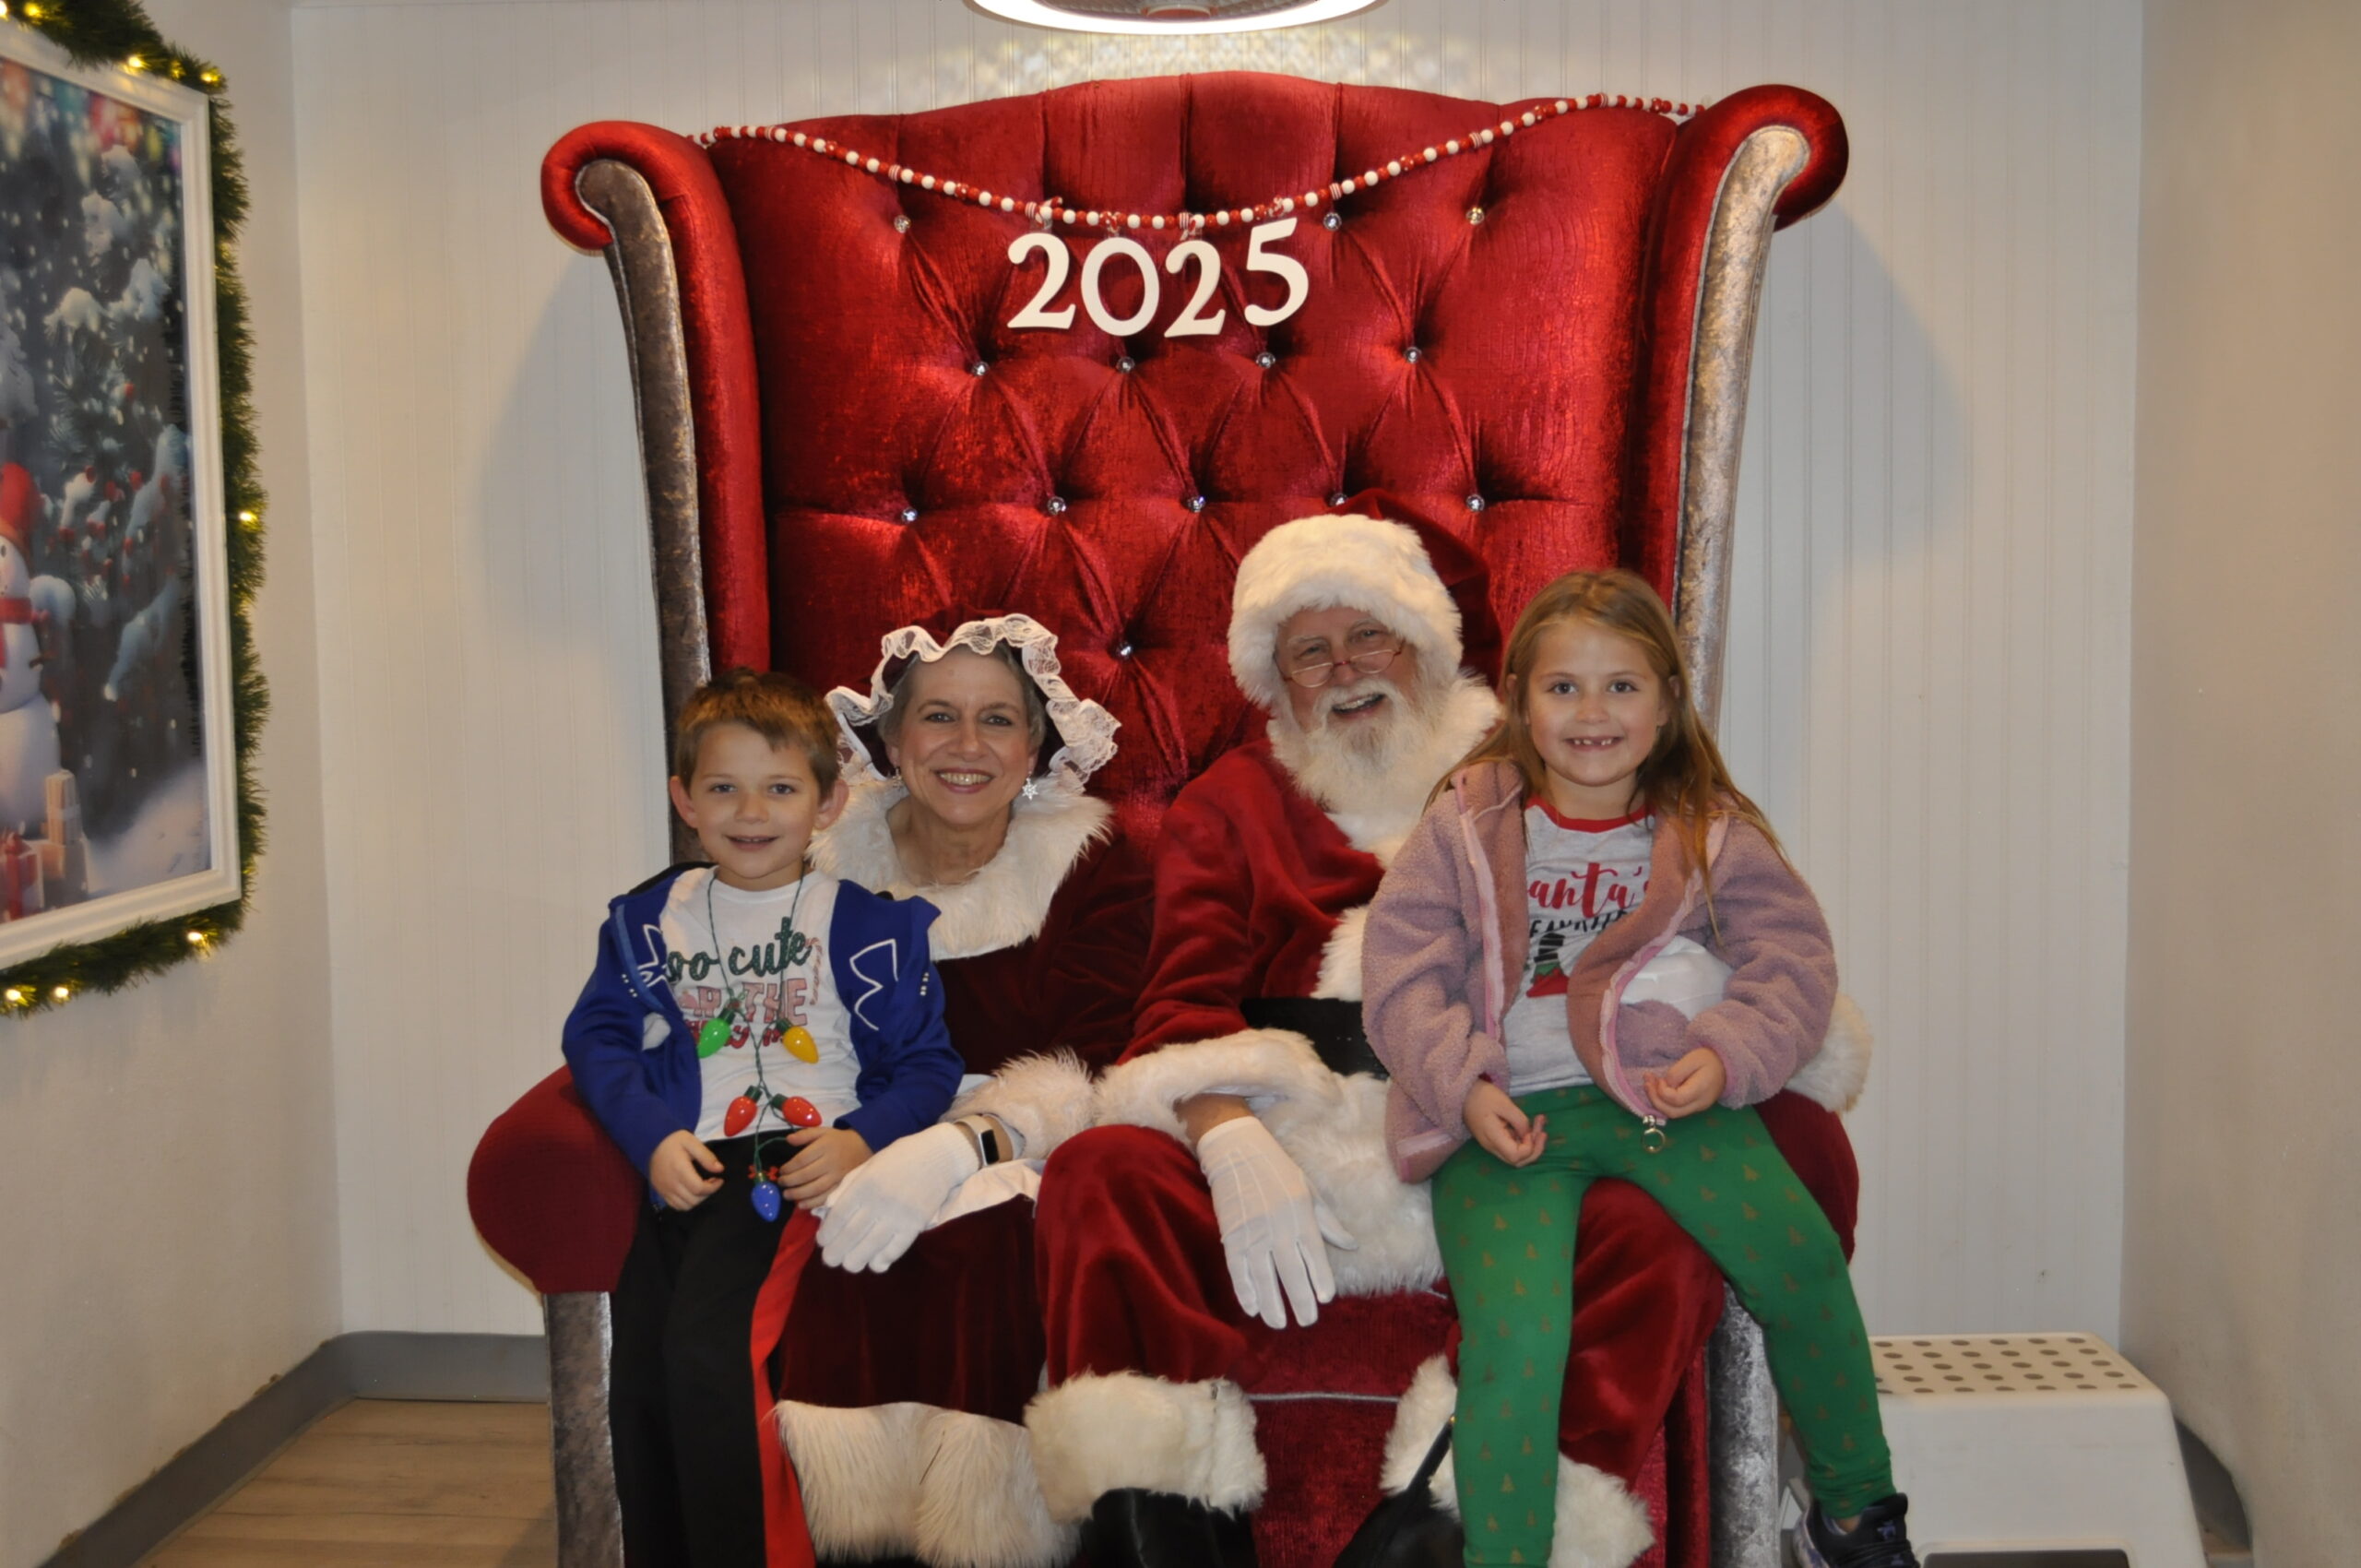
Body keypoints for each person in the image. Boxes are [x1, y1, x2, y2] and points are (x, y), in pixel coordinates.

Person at [1026, 509, 1871, 1568]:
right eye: (1309, 653)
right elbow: (1178, 1007)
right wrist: (1226, 1129)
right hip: (1303, 1132)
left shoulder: (1554, 755)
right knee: (1103, 1171)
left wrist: (1708, 1048)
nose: (1344, 670)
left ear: (1425, 642)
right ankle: (1164, 1528)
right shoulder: (1232, 801)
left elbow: (1728, 936)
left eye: (1366, 635)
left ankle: (1447, 1526)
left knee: (1657, 1216)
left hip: (1516, 1110)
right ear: (1273, 682)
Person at [1362, 568, 1917, 1568]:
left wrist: (1725, 1053)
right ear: (1520, 701)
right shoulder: (1465, 822)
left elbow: (1793, 960)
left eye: (1621, 685)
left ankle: (1854, 1514)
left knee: (1799, 1261)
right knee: (1518, 1342)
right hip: (1507, 1121)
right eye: (1563, 686)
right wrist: (1462, 1087)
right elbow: (1401, 974)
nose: (1592, 712)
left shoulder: (1708, 828)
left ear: (1665, 702)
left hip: (1663, 1101)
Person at [562, 668, 965, 1568]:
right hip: (685, 1164)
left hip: (791, 1167)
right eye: (723, 788)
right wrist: (648, 1136)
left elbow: (930, 1065)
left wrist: (860, 1138)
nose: (751, 812)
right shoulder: (648, 921)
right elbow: (597, 1038)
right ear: (685, 800)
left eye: (780, 788)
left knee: (711, 1359)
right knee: (644, 1379)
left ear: (828, 802)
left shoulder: (866, 927)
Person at [772, 614, 1151, 1568]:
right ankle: (855, 1539)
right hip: (851, 1130)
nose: (967, 746)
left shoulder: (1091, 862)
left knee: (985, 1243)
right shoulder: (819, 855)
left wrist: (960, 1145)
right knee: (830, 1242)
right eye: (939, 715)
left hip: (1027, 1144)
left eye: (998, 720)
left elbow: (1099, 1060)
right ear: (893, 739)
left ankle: (986, 1540)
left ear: (1035, 745)